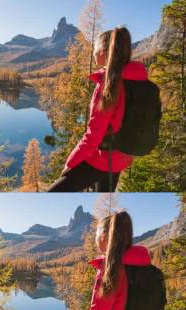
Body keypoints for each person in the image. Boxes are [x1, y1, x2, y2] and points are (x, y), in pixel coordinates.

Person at [48, 27, 148, 192]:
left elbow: (94, 135)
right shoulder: (135, 79)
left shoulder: (109, 84)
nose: (93, 53)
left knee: (53, 193)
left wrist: (70, 164)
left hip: (103, 159)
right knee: (104, 196)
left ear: (102, 51)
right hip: (122, 157)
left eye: (94, 49)